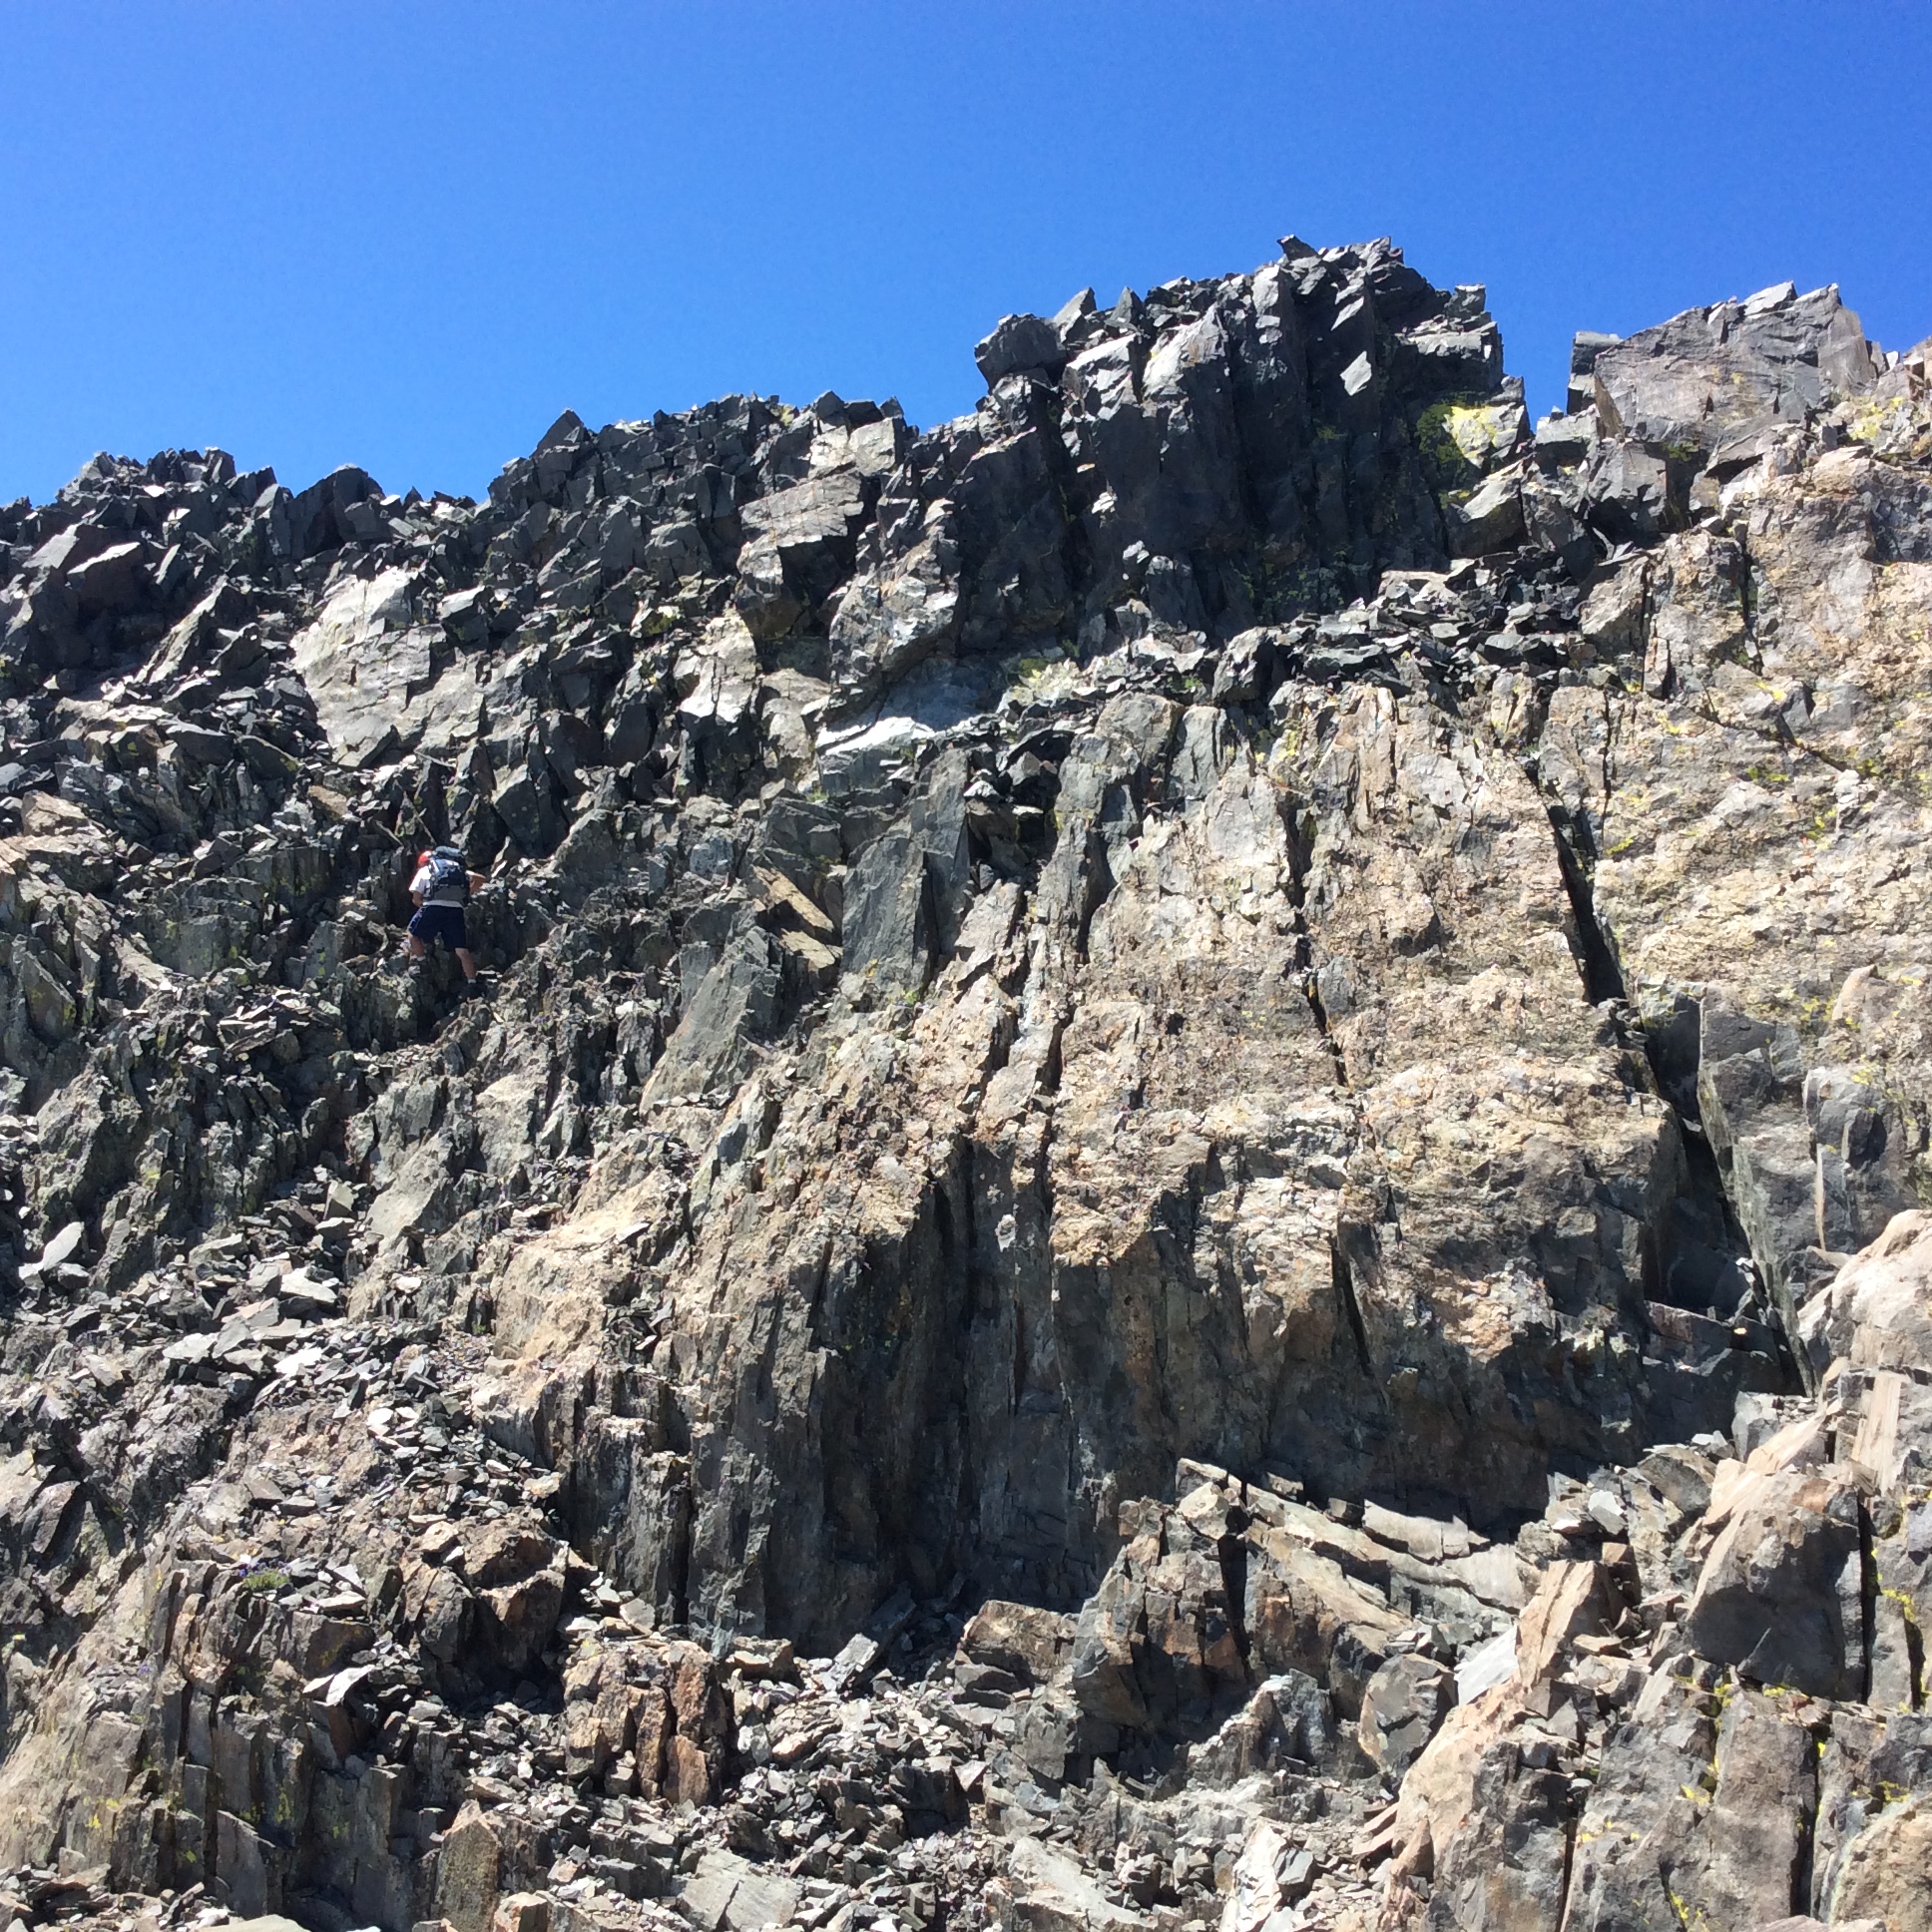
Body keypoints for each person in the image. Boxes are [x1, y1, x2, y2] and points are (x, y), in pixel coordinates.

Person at [404, 846, 489, 990]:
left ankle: (422, 964)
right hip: (456, 909)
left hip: (433, 907)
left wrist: (428, 912)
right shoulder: (456, 869)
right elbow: (481, 879)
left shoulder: (426, 869)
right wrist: (467, 893)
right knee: (461, 949)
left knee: (412, 935)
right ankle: (472, 983)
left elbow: (416, 899)